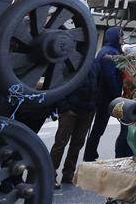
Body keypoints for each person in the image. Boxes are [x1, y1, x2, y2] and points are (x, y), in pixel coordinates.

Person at [83, 27, 131, 161]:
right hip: (107, 97)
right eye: (120, 36)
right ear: (115, 37)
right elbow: (110, 76)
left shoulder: (108, 50)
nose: (122, 39)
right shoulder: (109, 53)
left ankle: (90, 153)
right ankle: (90, 154)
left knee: (98, 128)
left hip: (104, 96)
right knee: (100, 127)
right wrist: (117, 95)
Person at [49, 57, 98, 187]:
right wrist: (63, 106)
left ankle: (68, 175)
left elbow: (98, 83)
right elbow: (58, 82)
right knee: (60, 143)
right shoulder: (67, 59)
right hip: (70, 109)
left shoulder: (93, 61)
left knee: (77, 144)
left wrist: (94, 104)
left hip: (87, 109)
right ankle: (50, 174)